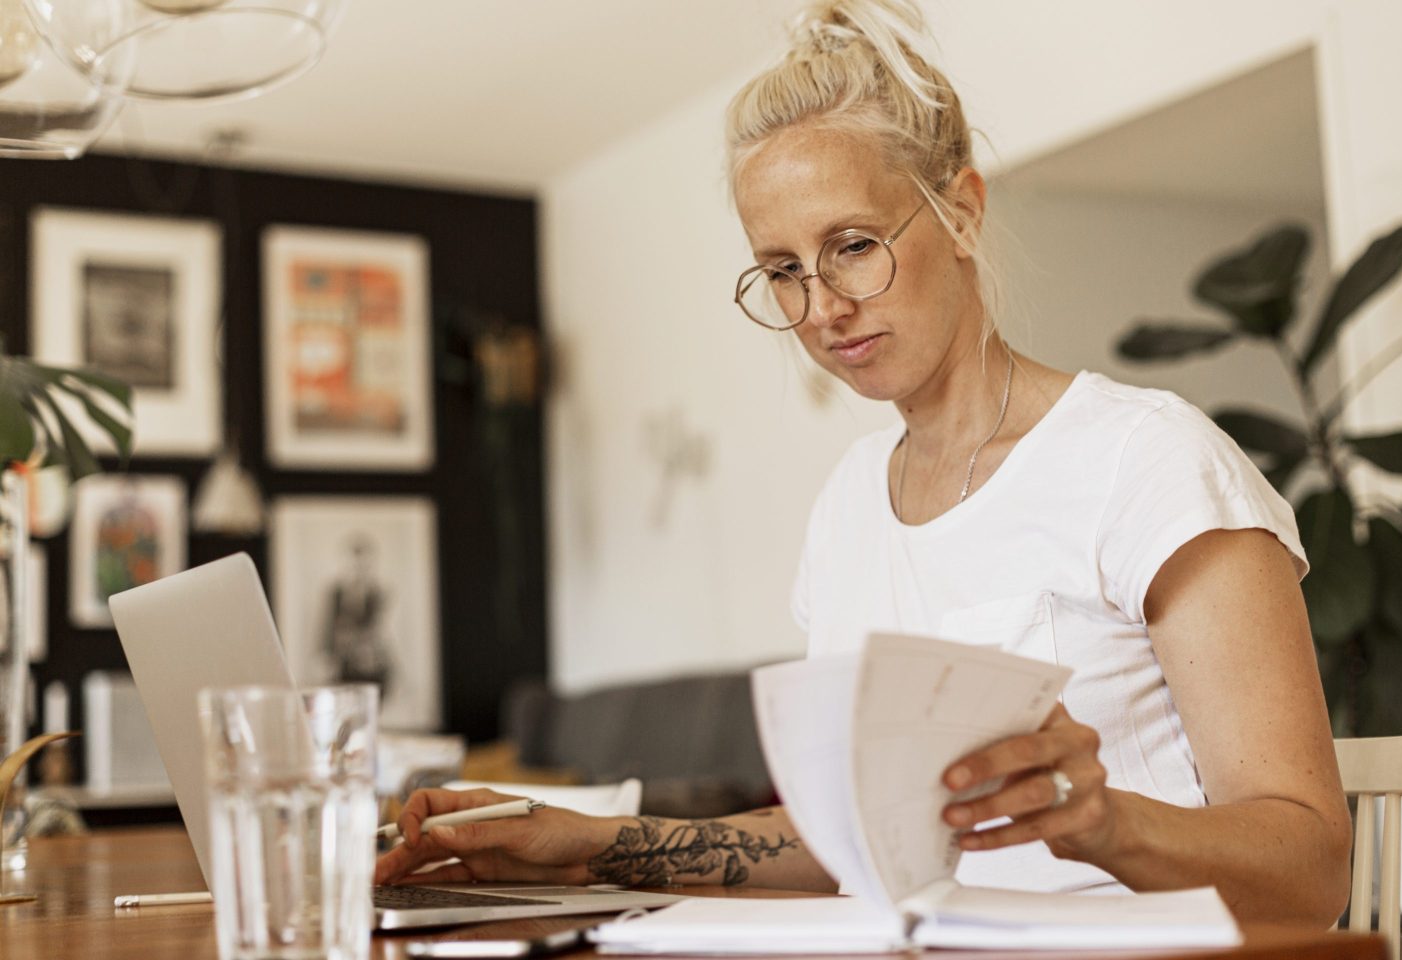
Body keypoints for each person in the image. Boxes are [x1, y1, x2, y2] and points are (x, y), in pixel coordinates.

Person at [376, 0, 1351, 925]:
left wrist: (1106, 822)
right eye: (785, 270)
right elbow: (850, 842)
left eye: (852, 245)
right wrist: (585, 844)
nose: (823, 307)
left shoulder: (1149, 461)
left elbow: (1310, 870)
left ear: (962, 212)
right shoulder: (849, 505)